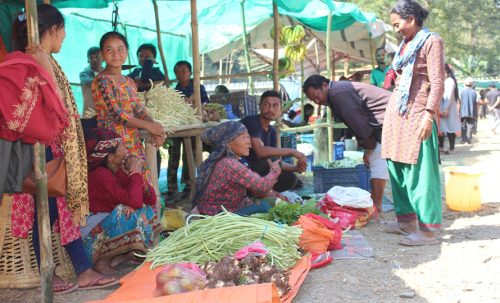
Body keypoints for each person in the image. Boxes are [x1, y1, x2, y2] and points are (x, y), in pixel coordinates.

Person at [10, 4, 117, 293]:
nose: (66, 35)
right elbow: (52, 102)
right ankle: (56, 272)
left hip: (49, 146)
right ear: (53, 30)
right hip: (39, 148)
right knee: (43, 211)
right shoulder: (38, 58)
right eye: (63, 29)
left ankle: (82, 271)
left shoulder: (41, 57)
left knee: (59, 210)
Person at [381, 0, 444, 246]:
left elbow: (437, 82)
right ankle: (405, 221)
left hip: (418, 111)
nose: (396, 29)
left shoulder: (431, 41)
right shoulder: (404, 44)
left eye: (398, 24)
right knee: (397, 167)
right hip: (398, 112)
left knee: (420, 172)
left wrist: (429, 113)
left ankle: (427, 231)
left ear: (411, 19)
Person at [303, 75, 391, 212]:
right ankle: (376, 204)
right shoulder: (336, 93)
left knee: (376, 158)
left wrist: (368, 148)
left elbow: (358, 121)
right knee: (379, 159)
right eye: (313, 99)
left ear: (325, 85)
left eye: (317, 95)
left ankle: (376, 206)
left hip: (392, 118)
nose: (317, 101)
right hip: (386, 120)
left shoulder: (338, 92)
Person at [83, 127, 160, 274]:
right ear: (110, 157)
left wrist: (135, 176)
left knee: (145, 209)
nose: (126, 151)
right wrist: (134, 173)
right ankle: (102, 262)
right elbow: (134, 202)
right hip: (89, 238)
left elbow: (150, 199)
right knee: (124, 211)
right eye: (121, 148)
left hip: (104, 226)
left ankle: (122, 256)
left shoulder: (116, 170)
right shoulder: (100, 175)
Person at [93, 31, 166, 184]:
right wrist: (150, 127)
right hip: (113, 146)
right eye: (109, 50)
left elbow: (138, 109)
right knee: (122, 187)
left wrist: (156, 127)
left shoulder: (129, 81)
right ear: (102, 54)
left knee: (140, 183)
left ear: (127, 51)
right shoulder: (102, 81)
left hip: (133, 142)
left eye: (120, 49)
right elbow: (118, 115)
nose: (116, 54)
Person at [194, 121, 281, 215]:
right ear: (228, 142)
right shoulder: (230, 164)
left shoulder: (225, 161)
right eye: (244, 137)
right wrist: (275, 170)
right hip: (218, 216)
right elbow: (262, 186)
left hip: (220, 211)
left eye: (248, 137)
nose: (249, 143)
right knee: (265, 207)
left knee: (262, 202)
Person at [240, 90, 307, 192]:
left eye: (275, 106)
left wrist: (296, 168)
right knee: (269, 162)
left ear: (280, 110)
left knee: (291, 179)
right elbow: (260, 152)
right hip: (242, 169)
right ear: (260, 106)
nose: (270, 109)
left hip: (258, 172)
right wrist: (293, 152)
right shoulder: (251, 121)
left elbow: (275, 162)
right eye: (266, 105)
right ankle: (253, 195)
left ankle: (266, 196)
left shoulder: (272, 131)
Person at [166, 60, 209, 200]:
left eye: (184, 71)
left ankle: (188, 186)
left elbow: (205, 104)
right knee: (173, 157)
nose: (180, 74)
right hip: (176, 126)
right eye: (177, 72)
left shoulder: (198, 88)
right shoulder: (174, 92)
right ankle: (171, 189)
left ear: (190, 72)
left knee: (188, 156)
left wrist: (195, 102)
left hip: (192, 125)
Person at [438, 64, 461, 154]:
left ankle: (451, 148)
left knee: (450, 128)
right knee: (443, 128)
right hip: (446, 107)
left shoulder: (449, 81)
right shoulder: (447, 81)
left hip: (447, 108)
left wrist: (444, 109)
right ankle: (442, 147)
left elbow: (448, 96)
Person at [80, 46, 103, 118]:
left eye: (97, 57)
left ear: (103, 58)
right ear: (88, 60)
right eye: (91, 57)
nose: (94, 60)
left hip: (105, 113)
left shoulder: (107, 73)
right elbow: (87, 82)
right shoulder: (84, 74)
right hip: (90, 113)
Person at [458, 77, 478, 144]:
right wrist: (476, 112)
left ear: (464, 84)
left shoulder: (461, 92)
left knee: (463, 125)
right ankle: (469, 139)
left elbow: (459, 102)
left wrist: (458, 111)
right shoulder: (475, 92)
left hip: (463, 111)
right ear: (472, 85)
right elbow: (477, 103)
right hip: (472, 112)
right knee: (470, 126)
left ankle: (463, 139)